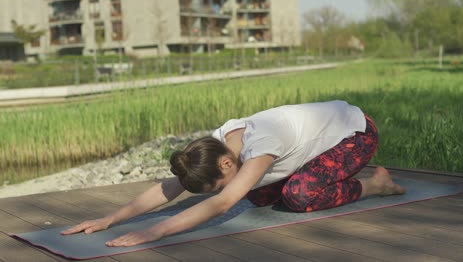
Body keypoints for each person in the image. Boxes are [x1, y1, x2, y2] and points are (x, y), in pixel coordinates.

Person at [61, 100, 405, 247]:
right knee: (257, 193)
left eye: (214, 184)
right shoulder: (215, 146)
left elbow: (224, 202)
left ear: (227, 164)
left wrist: (154, 232)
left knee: (298, 195)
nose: (214, 190)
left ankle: (375, 185)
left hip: (355, 135)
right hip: (311, 146)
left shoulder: (263, 142)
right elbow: (169, 187)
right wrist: (110, 218)